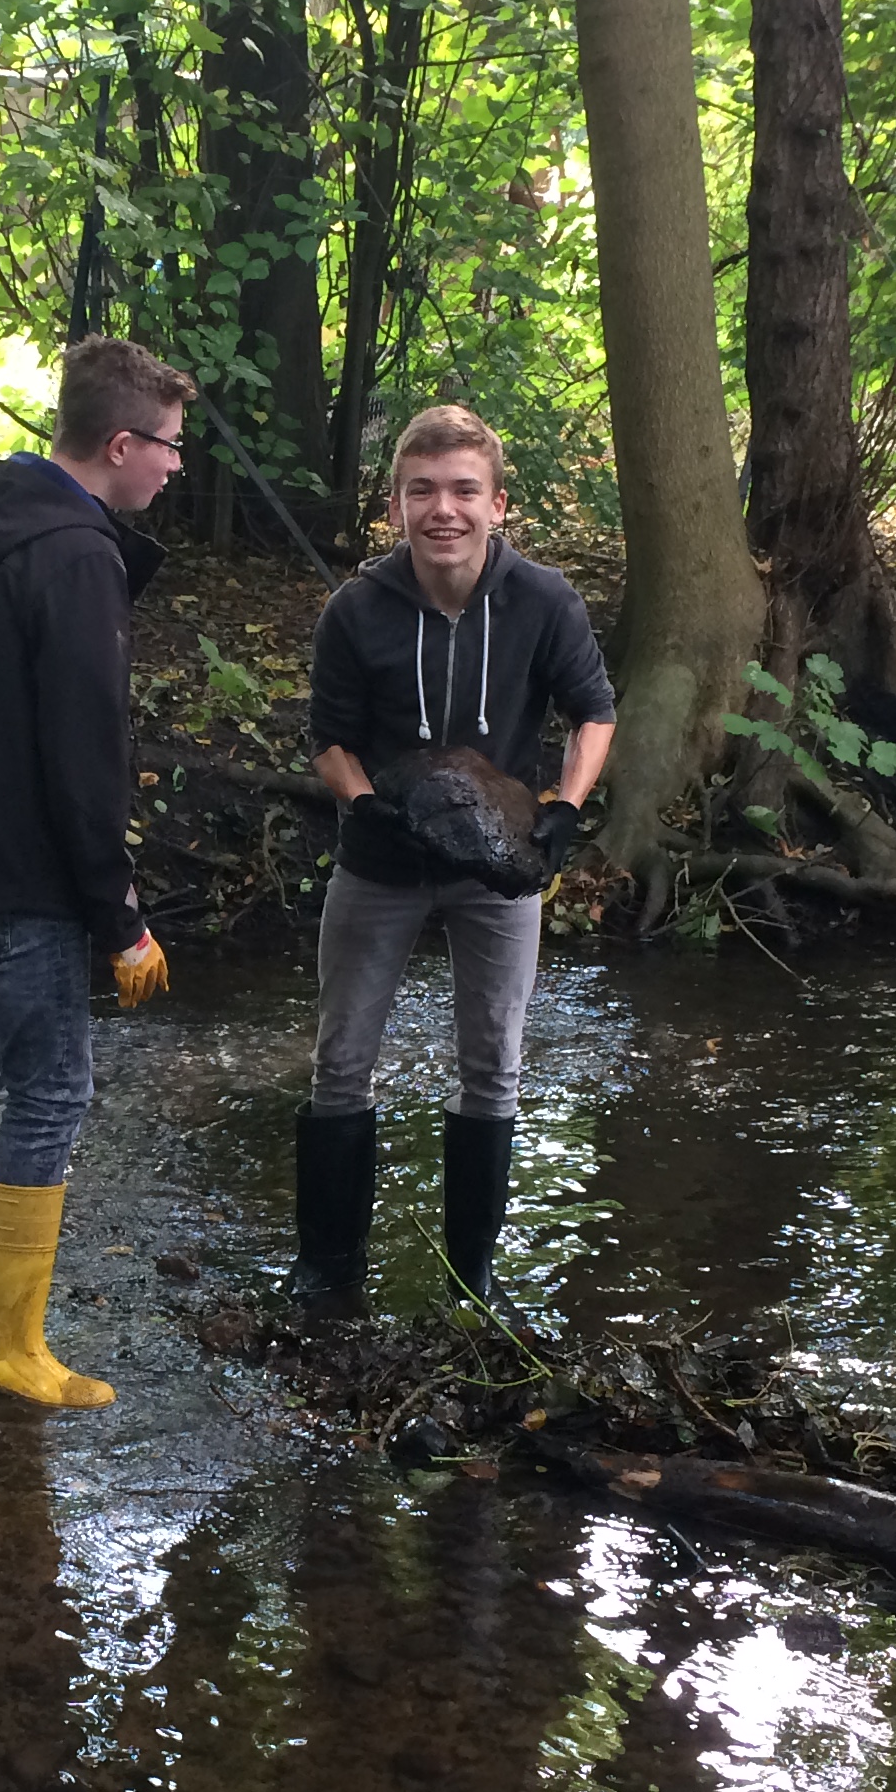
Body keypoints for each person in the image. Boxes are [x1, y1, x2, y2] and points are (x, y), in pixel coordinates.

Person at [0, 337, 189, 1406]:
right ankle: (5, 1345)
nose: (176, 466)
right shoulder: (75, 554)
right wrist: (119, 915)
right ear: (121, 443)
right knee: (53, 1088)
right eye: (170, 446)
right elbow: (84, 752)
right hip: (21, 872)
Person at [292, 404, 615, 1306]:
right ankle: (329, 1273)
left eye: (464, 491)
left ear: (497, 504)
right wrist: (362, 803)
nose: (444, 509)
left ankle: (472, 1280)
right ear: (396, 504)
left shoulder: (543, 600)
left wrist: (565, 808)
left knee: (494, 1064)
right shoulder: (356, 610)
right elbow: (327, 738)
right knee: (342, 1058)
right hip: (381, 861)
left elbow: (594, 713)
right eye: (422, 491)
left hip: (501, 864)